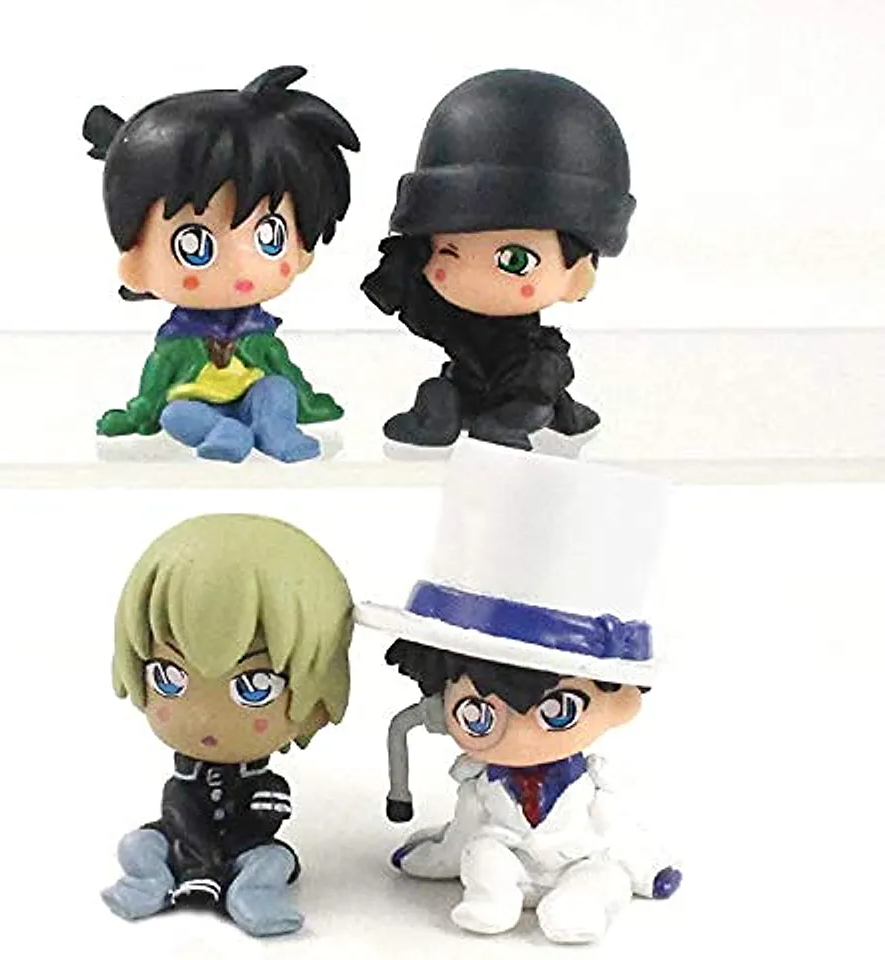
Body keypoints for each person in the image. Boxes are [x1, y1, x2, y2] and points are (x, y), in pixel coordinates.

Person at [357, 441, 681, 943]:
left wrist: (649, 869)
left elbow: (619, 833)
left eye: (558, 711)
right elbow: (463, 834)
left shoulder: (596, 786)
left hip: (581, 858)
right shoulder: (479, 784)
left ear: (620, 705)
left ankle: (578, 909)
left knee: (603, 875)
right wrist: (438, 857)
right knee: (481, 853)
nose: (519, 734)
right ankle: (491, 899)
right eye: (478, 714)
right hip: (505, 851)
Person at [83, 66, 359, 462]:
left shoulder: (259, 334)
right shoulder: (176, 344)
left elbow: (286, 372)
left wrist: (308, 401)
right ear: (136, 266)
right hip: (195, 403)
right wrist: (137, 415)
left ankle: (276, 429)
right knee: (176, 415)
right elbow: (153, 390)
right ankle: (222, 433)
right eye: (194, 245)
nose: (241, 266)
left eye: (268, 235)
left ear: (301, 247)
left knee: (277, 389)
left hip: (256, 392)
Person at [101, 514, 353, 936]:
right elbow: (179, 810)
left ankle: (252, 893)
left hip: (245, 846)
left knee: (276, 860)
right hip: (179, 843)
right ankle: (150, 881)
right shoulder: (183, 783)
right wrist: (199, 861)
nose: (204, 717)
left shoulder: (259, 778)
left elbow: (266, 821)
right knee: (137, 845)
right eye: (169, 677)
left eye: (255, 687)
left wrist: (265, 810)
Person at [362, 70, 635, 450]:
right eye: (448, 251)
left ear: (579, 276)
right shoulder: (449, 322)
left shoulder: (540, 357)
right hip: (465, 383)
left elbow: (545, 382)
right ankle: (439, 421)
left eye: (515, 261)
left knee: (533, 402)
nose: (470, 276)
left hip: (520, 389)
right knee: (439, 389)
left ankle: (506, 424)